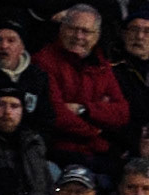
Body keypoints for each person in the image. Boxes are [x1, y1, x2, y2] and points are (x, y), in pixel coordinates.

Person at [35, 5, 128, 169]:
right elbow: (56, 114)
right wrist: (95, 130)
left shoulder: (102, 66)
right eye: (72, 29)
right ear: (62, 28)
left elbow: (122, 113)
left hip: (98, 152)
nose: (78, 36)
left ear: (97, 36)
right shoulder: (44, 61)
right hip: (59, 151)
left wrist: (84, 110)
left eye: (86, 31)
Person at [0, 18, 53, 136]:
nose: (4, 46)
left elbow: (45, 118)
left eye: (11, 40)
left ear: (22, 47)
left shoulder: (36, 77)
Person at [111, 7, 149, 146]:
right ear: (123, 34)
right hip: (121, 141)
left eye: (148, 31)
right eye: (134, 29)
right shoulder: (111, 68)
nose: (140, 36)